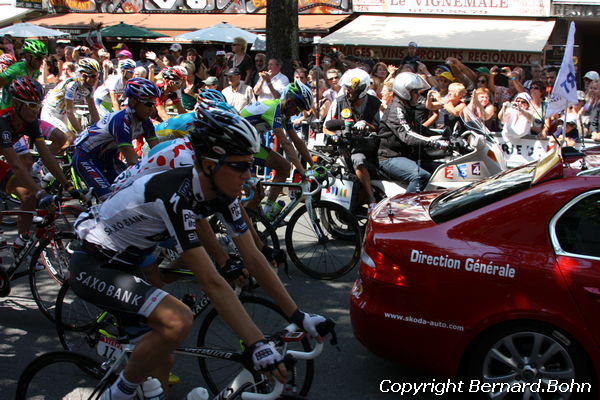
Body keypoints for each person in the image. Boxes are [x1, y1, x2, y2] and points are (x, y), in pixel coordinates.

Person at [70, 107, 332, 399]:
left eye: (250, 165)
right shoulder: (174, 197)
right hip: (95, 263)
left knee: (162, 360)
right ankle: (116, 394)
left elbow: (254, 258)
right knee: (177, 319)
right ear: (209, 164)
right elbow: (211, 281)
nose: (248, 175)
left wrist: (299, 314)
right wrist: (257, 343)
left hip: (129, 262)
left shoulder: (223, 192)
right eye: (240, 166)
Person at [0, 78, 80, 253]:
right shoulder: (3, 121)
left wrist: (68, 185)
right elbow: (15, 164)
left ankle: (21, 247)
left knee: (27, 196)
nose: (36, 110)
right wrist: (40, 191)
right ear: (16, 104)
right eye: (31, 105)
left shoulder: (31, 123)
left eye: (38, 105)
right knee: (31, 191)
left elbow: (46, 155)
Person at [72, 78, 160, 201]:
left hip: (108, 159)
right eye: (149, 104)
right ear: (134, 101)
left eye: (154, 104)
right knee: (110, 199)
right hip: (86, 158)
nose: (152, 109)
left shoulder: (146, 122)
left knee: (130, 192)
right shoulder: (121, 120)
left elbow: (158, 151)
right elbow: (132, 160)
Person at [241, 80, 314, 220]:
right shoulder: (274, 109)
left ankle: (267, 210)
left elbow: (297, 141)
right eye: (297, 109)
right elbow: (286, 144)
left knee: (284, 166)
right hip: (238, 146)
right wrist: (302, 172)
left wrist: (313, 164)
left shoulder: (282, 112)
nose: (296, 113)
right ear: (289, 102)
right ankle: (238, 229)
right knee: (257, 193)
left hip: (249, 145)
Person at [324, 68, 381, 210]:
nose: (347, 92)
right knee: (358, 160)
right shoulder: (338, 101)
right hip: (345, 147)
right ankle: (371, 199)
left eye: (350, 90)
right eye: (346, 89)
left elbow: (378, 128)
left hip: (366, 146)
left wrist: (366, 125)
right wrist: (337, 139)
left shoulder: (374, 103)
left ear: (361, 90)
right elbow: (325, 127)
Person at [377, 72, 443, 193]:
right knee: (421, 176)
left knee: (442, 169)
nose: (418, 95)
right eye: (416, 92)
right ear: (405, 91)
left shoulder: (406, 107)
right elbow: (407, 135)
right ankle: (405, 209)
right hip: (389, 157)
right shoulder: (396, 110)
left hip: (404, 155)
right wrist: (432, 142)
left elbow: (419, 129)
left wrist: (443, 136)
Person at [41, 58, 101, 144]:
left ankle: (57, 157)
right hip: (50, 113)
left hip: (62, 115)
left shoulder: (89, 87)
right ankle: (46, 157)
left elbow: (93, 109)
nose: (96, 79)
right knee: (69, 137)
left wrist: (100, 128)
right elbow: (70, 112)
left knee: (71, 142)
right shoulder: (71, 85)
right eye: (93, 76)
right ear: (83, 75)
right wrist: (81, 132)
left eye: (97, 76)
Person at [0, 39, 47, 110]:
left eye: (43, 59)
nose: (41, 62)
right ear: (28, 56)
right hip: (8, 111)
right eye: (38, 58)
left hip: (23, 111)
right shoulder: (16, 69)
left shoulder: (36, 71)